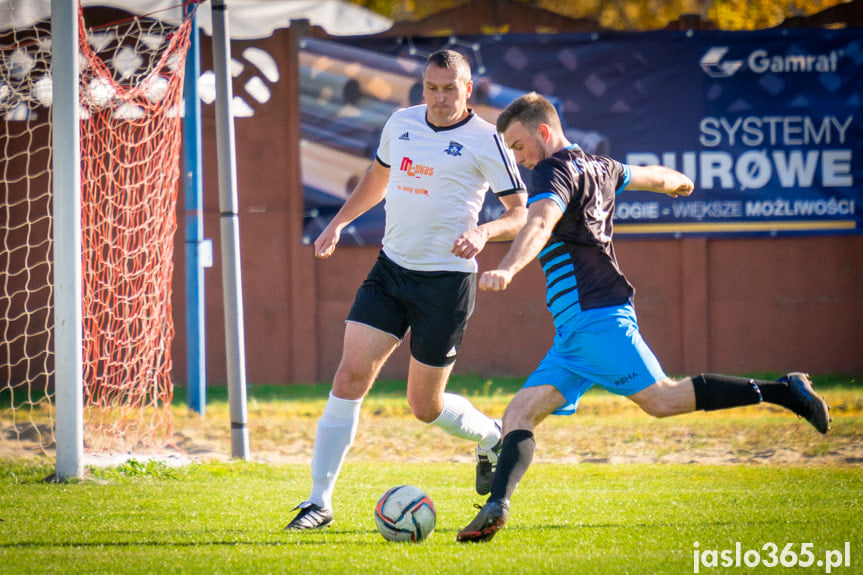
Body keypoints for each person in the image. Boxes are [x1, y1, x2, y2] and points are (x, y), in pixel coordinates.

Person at [456, 92, 831, 543]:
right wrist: (678, 183)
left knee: (664, 399)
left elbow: (537, 224)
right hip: (576, 333)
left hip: (597, 319)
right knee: (520, 413)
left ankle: (784, 391)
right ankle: (496, 509)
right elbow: (651, 176)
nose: (518, 158)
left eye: (518, 146)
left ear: (543, 131)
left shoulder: (551, 171)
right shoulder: (602, 166)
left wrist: (508, 268)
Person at [285, 50, 528, 531]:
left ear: (467, 90)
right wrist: (338, 223)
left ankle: (491, 436)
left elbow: (519, 212)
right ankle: (319, 502)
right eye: (431, 88)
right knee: (350, 375)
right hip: (391, 272)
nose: (439, 98)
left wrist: (482, 233)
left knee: (425, 407)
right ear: (422, 87)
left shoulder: (487, 140)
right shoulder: (400, 122)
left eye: (449, 90)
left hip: (447, 284)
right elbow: (379, 176)